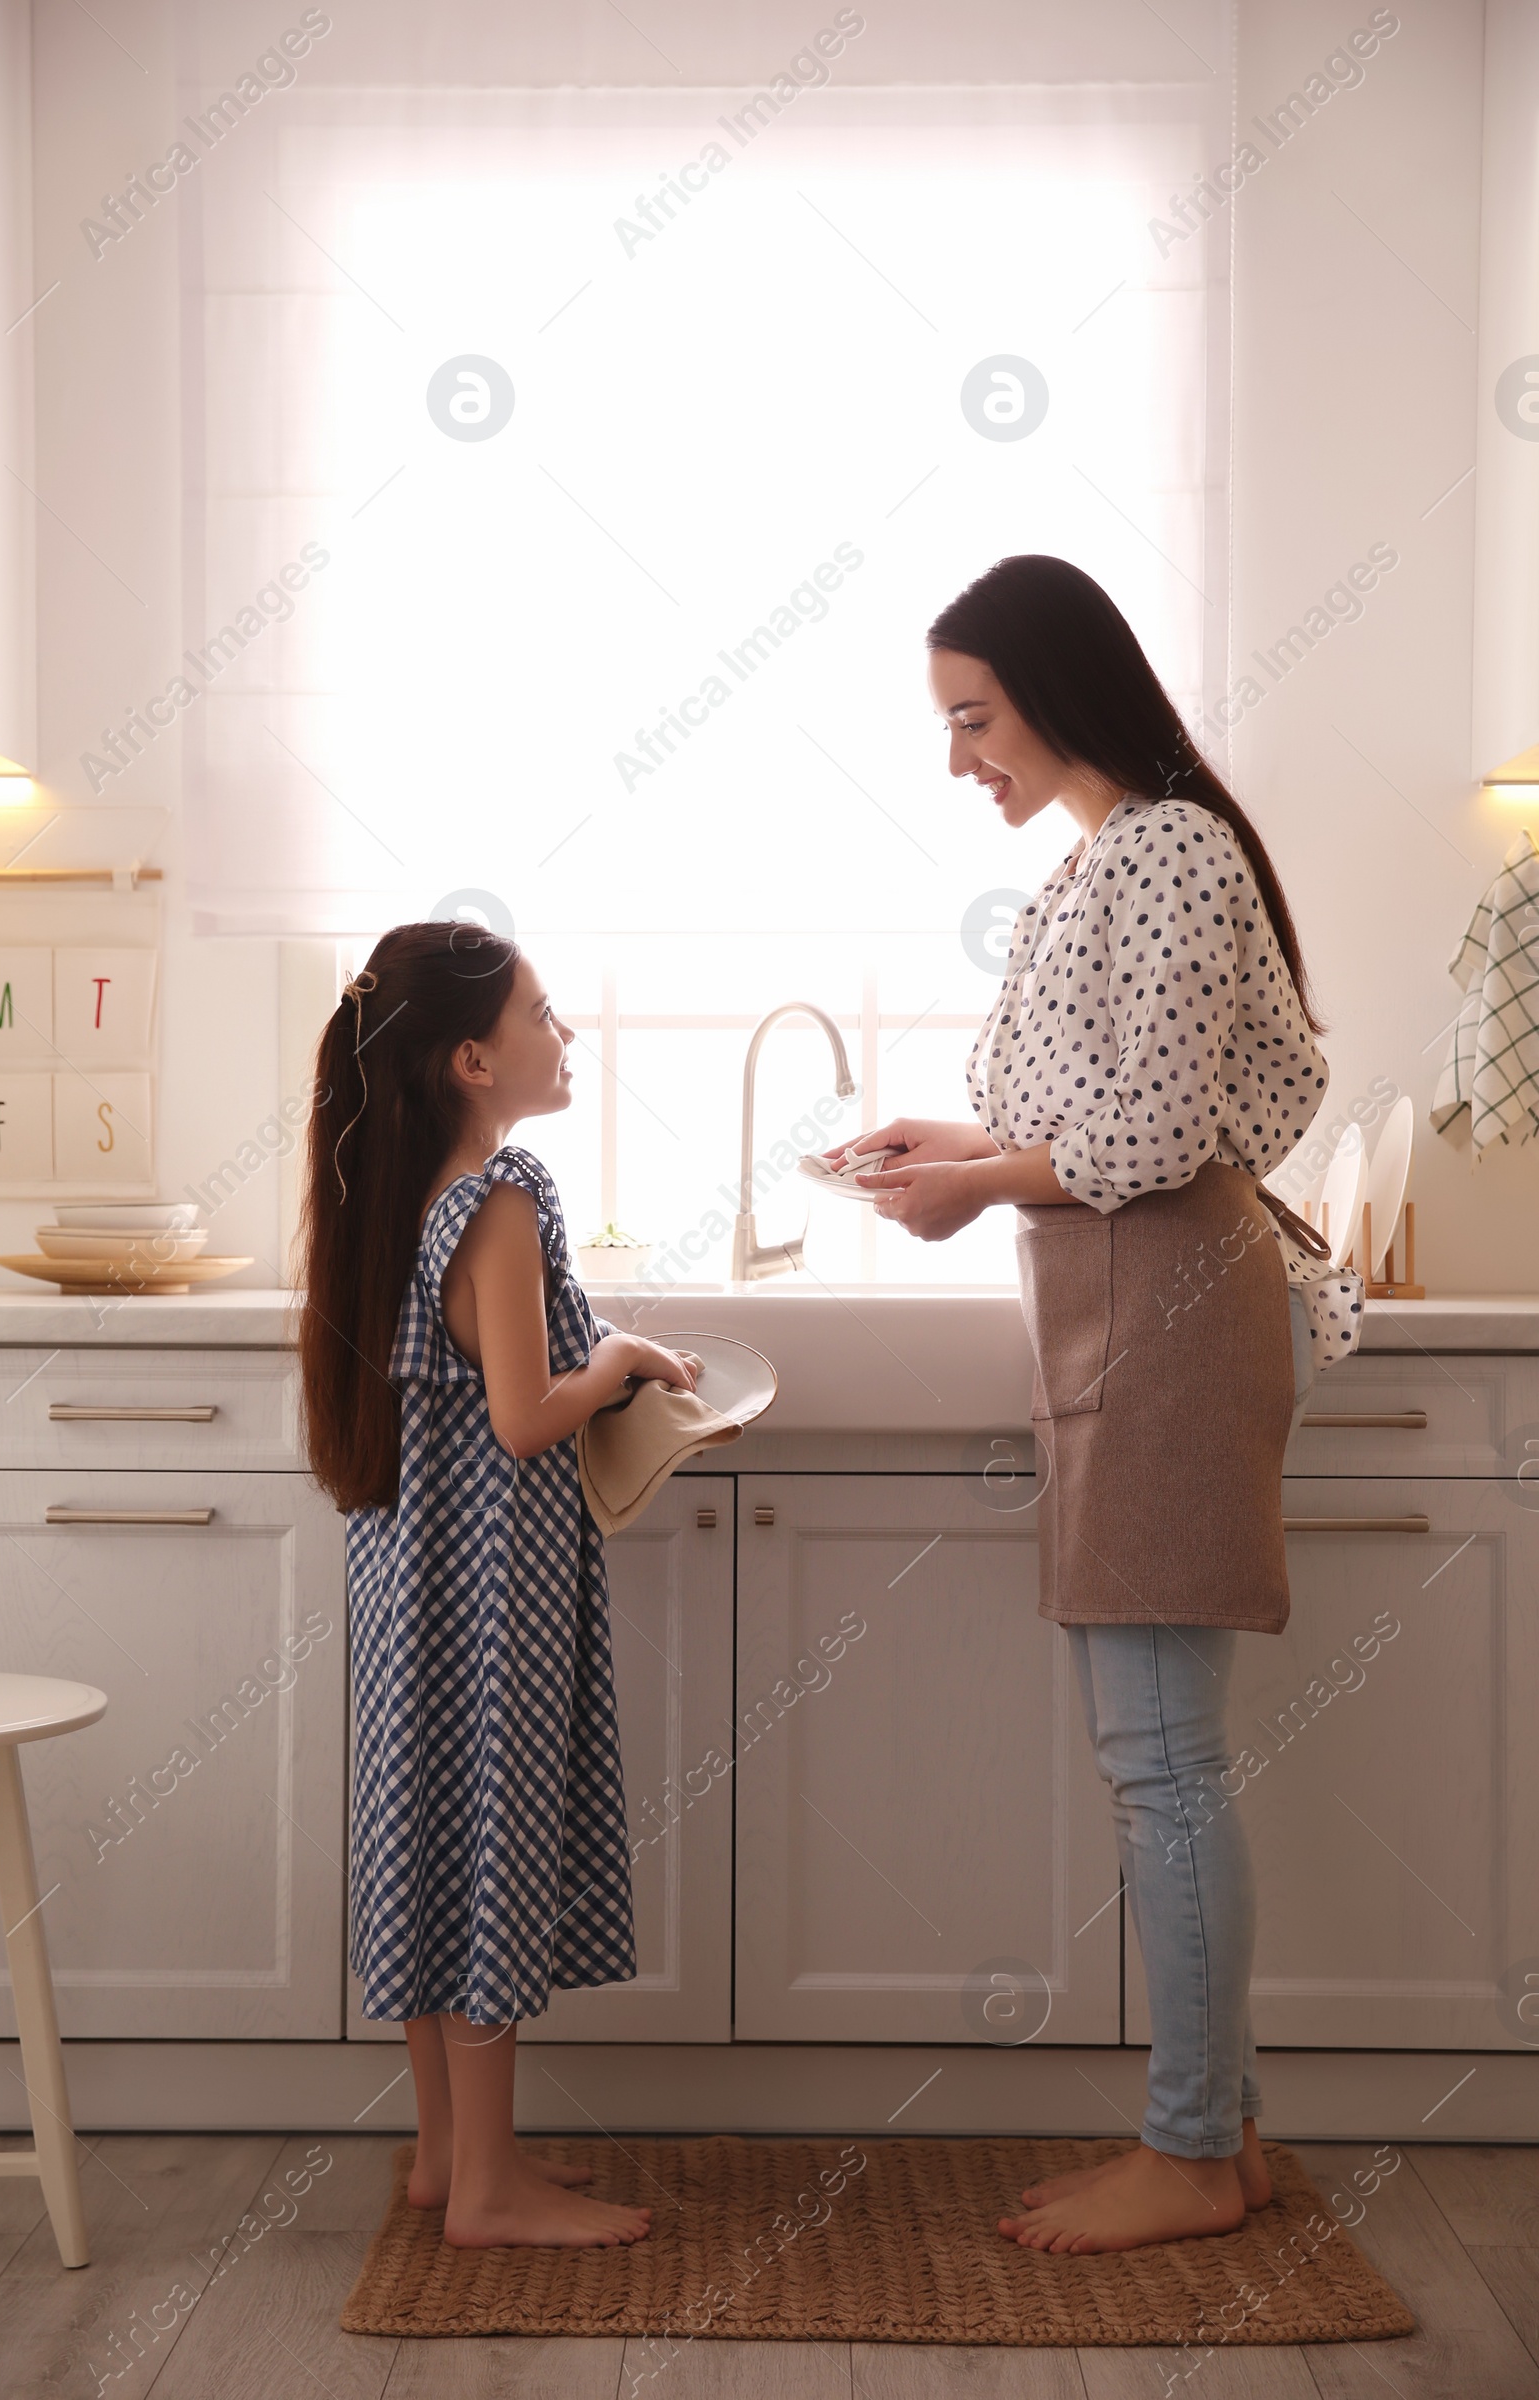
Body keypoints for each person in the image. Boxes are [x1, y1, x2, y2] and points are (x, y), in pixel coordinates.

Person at [834, 554, 1328, 2255]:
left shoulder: (1169, 852)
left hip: (1168, 1321)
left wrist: (982, 1188)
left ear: (1058, 686)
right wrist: (957, 1148)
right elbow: (1115, 1112)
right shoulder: (1119, 858)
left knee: (1163, 1764)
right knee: (1161, 1757)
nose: (961, 755)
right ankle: (1229, 2139)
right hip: (1130, 1313)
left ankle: (1191, 2154)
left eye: (974, 717)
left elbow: (1163, 1133)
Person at [296, 920, 694, 2247]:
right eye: (543, 1013)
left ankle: (441, 2156)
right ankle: (489, 2190)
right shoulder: (503, 1199)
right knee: (496, 1857)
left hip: (408, 1588)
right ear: (474, 1059)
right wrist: (624, 1356)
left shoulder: (390, 1201)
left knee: (428, 1843)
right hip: (493, 1598)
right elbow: (529, 1418)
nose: (564, 1032)